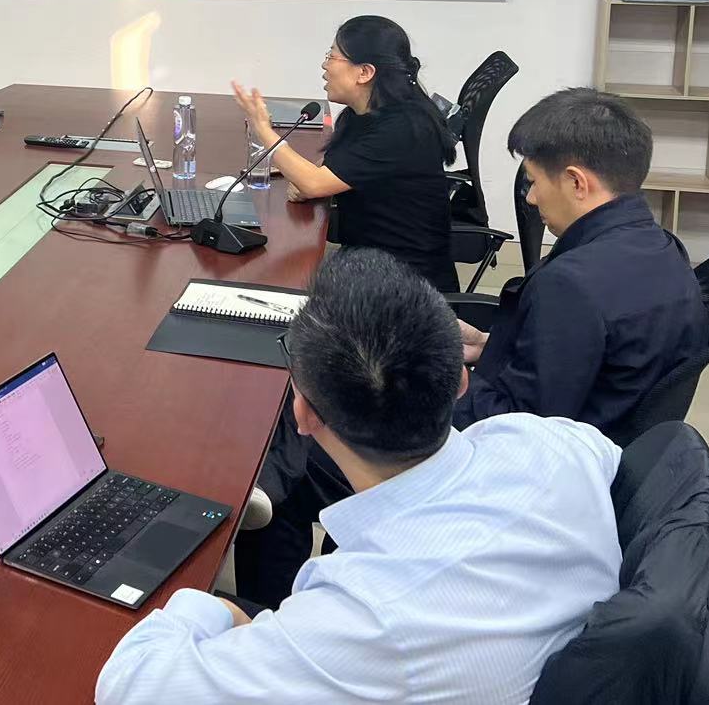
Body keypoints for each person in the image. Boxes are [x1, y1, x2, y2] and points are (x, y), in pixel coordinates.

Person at [95, 249, 622, 705]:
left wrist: (208, 605)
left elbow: (129, 684)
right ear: (461, 382)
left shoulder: (366, 619)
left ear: (304, 414)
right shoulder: (551, 442)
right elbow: (610, 456)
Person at [454, 88, 708, 431]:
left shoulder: (569, 286)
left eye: (533, 182)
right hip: (614, 430)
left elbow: (518, 428)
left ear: (576, 182)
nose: (531, 198)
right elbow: (582, 359)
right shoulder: (662, 246)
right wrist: (489, 345)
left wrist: (451, 380)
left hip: (554, 447)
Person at [232, 14, 457, 290]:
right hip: (369, 265)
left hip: (406, 286)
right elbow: (327, 173)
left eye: (332, 56)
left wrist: (264, 131)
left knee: (266, 280)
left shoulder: (403, 129)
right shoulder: (360, 115)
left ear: (365, 72)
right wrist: (311, 180)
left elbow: (315, 183)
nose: (324, 65)